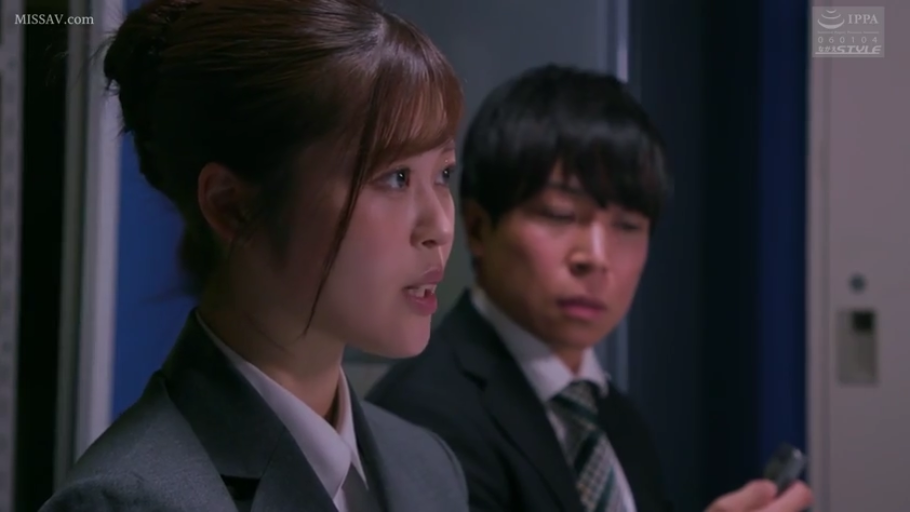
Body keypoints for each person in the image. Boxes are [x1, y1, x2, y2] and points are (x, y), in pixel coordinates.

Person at [40, 0, 467, 511]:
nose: (441, 226)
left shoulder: (428, 467)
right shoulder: (128, 501)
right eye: (395, 177)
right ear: (232, 206)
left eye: (443, 174)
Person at [367, 65, 814, 512]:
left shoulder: (614, 416)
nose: (596, 257)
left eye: (628, 226)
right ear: (480, 228)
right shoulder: (419, 419)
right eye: (560, 215)